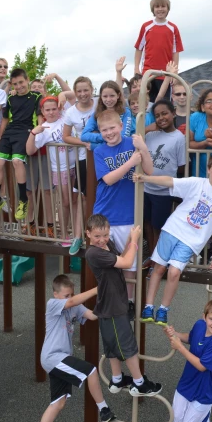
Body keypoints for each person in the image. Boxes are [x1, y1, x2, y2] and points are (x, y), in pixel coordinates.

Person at [22, 275, 115, 422]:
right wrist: (98, 288)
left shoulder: (74, 306)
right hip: (53, 356)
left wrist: (109, 300)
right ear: (56, 295)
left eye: (70, 294)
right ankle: (104, 409)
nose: (68, 298)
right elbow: (72, 301)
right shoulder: (52, 305)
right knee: (91, 371)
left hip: (60, 359)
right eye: (65, 295)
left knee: (59, 403)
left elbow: (92, 315)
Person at [135, 155, 212, 326]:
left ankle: (164, 308)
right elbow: (170, 181)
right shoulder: (197, 183)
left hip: (192, 240)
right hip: (173, 229)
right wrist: (145, 178)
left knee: (174, 271)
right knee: (158, 268)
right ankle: (149, 306)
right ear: (208, 169)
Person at [85, 215, 161, 396]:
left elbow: (121, 255)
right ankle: (139, 383)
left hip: (110, 303)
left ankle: (117, 379)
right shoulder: (94, 253)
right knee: (127, 345)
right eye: (97, 236)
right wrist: (135, 241)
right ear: (88, 234)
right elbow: (126, 262)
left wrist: (130, 238)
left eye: (105, 235)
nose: (101, 240)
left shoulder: (106, 245)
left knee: (111, 344)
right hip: (113, 306)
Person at [93, 111, 154, 304]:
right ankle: (110, 298)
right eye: (104, 130)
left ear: (121, 126)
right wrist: (130, 163)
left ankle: (128, 301)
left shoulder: (132, 143)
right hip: (106, 214)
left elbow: (149, 170)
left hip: (129, 215)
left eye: (112, 128)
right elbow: (109, 179)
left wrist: (143, 149)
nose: (109, 133)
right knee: (107, 262)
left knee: (130, 263)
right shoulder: (100, 151)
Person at [0, 68, 42, 221]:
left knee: (17, 161)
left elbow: (40, 116)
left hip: (26, 131)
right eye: (15, 84)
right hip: (10, 132)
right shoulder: (10, 99)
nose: (19, 86)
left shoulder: (36, 97)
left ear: (27, 80)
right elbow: (5, 119)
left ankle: (23, 199)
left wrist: (39, 133)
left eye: (21, 82)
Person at [27, 96, 82, 253]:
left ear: (59, 108)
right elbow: (30, 150)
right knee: (65, 201)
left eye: (54, 109)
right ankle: (64, 235)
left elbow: (73, 95)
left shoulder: (65, 116)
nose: (51, 112)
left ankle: (75, 233)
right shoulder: (43, 128)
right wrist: (32, 133)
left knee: (77, 199)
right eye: (47, 110)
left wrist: (63, 91)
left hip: (76, 164)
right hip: (60, 168)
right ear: (42, 112)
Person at [143, 100, 186, 254]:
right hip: (146, 187)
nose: (161, 118)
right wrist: (148, 128)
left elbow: (181, 165)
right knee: (146, 222)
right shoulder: (150, 135)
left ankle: (157, 255)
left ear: (173, 113)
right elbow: (133, 135)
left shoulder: (179, 138)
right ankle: (151, 251)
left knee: (159, 225)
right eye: (157, 115)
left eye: (164, 113)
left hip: (163, 191)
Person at [134, 0, 184, 103]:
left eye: (163, 6)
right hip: (148, 72)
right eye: (157, 7)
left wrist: (174, 73)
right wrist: (136, 68)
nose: (160, 9)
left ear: (167, 8)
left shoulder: (173, 28)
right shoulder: (146, 26)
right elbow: (139, 48)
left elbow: (176, 51)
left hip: (166, 75)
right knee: (147, 103)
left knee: (164, 103)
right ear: (153, 9)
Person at [62, 76, 96, 196]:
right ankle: (87, 215)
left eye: (86, 90)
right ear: (75, 93)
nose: (83, 94)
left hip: (102, 152)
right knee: (84, 194)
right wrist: (84, 142)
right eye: (79, 91)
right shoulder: (70, 112)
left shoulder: (99, 104)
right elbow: (65, 136)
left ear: (92, 90)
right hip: (83, 156)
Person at [80, 80, 136, 150]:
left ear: (118, 95)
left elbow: (123, 136)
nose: (108, 99)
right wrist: (105, 136)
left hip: (123, 152)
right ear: (101, 97)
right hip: (105, 156)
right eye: (105, 96)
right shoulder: (97, 114)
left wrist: (96, 146)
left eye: (112, 96)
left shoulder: (125, 112)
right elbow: (84, 136)